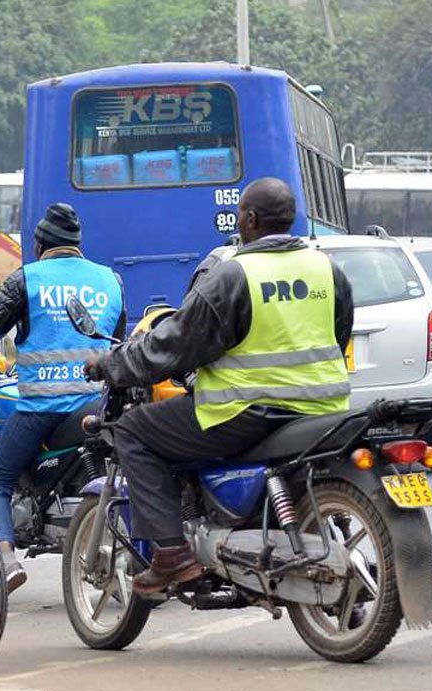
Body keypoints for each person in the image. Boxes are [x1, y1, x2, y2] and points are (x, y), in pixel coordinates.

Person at [84, 178, 354, 596]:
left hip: (245, 414)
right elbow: (338, 336)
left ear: (249, 219)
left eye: (241, 216)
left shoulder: (235, 275)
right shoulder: (328, 270)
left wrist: (111, 365)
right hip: (323, 410)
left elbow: (174, 345)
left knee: (134, 431)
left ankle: (171, 554)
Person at [0, 203, 124, 591]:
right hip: (97, 403)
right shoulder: (110, 280)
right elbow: (117, 344)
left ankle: (5, 559)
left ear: (39, 243)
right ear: (78, 244)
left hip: (42, 407)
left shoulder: (27, 279)